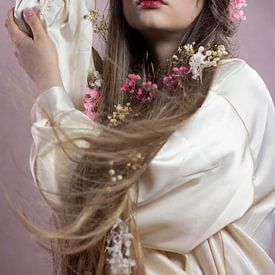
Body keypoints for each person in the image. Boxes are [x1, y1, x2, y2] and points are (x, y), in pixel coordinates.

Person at [5, 0, 275, 274]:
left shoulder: (234, 91)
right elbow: (48, 19)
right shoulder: (127, 101)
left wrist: (50, 87)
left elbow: (112, 197)